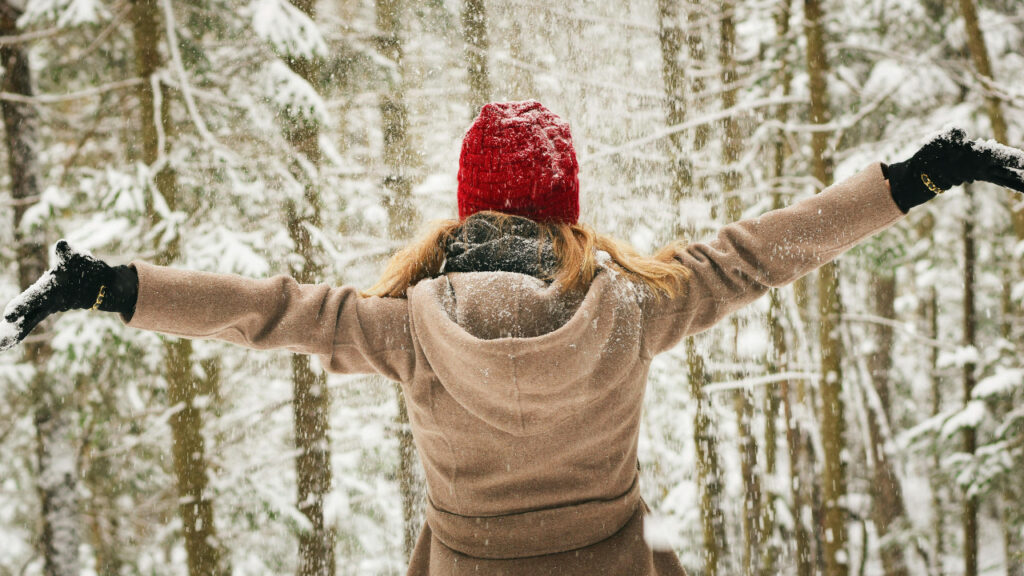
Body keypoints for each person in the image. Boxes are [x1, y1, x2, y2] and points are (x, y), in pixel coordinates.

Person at [3, 100, 1024, 575]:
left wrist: (109, 286)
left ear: (462, 213)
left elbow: (266, 311)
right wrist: (918, 176)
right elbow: (763, 253)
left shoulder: (405, 330)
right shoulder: (635, 306)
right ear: (564, 213)